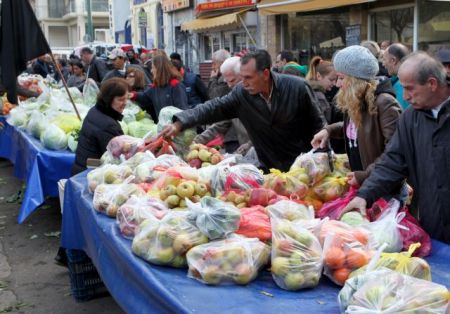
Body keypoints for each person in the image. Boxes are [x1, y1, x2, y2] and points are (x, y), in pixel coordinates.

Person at [341, 52, 450, 244]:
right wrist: (364, 195)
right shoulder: (410, 118)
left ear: (432, 84)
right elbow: (392, 161)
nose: (405, 96)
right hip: (434, 221)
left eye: (410, 89)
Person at [159, 49, 326, 172]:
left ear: (265, 74)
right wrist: (180, 123)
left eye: (248, 78)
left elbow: (319, 126)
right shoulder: (242, 94)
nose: (243, 83)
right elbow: (213, 107)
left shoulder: (297, 88)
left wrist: (323, 162)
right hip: (270, 170)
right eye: (242, 77)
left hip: (303, 167)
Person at [311, 45, 402, 189]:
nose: (338, 84)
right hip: (365, 184)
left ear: (356, 80)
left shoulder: (384, 103)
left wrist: (365, 175)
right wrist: (329, 130)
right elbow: (356, 128)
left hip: (382, 186)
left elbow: (395, 152)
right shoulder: (357, 98)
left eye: (341, 78)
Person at [193, 56, 252, 154]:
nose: (229, 85)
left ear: (242, 76)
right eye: (226, 81)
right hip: (248, 151)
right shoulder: (234, 98)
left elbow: (266, 128)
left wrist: (250, 144)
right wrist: (197, 141)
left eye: (232, 80)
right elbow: (221, 123)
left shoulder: (256, 95)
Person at [72, 77, 128, 175]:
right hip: (91, 176)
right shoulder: (108, 125)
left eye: (126, 99)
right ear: (108, 99)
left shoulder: (95, 110)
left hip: (81, 171)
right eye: (121, 100)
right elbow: (116, 158)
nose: (125, 103)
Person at [130, 54, 188, 122]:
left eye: (153, 68)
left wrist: (176, 126)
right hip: (163, 127)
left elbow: (182, 110)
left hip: (175, 128)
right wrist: (133, 95)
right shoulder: (156, 86)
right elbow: (145, 97)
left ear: (160, 69)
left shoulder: (176, 85)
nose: (151, 71)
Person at [305, 56, 338, 123]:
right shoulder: (319, 97)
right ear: (319, 76)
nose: (334, 84)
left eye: (335, 80)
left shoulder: (311, 91)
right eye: (331, 80)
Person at [382, 43, 410, 109]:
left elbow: (401, 114)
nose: (383, 64)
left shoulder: (402, 84)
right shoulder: (399, 80)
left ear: (393, 60)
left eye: (384, 59)